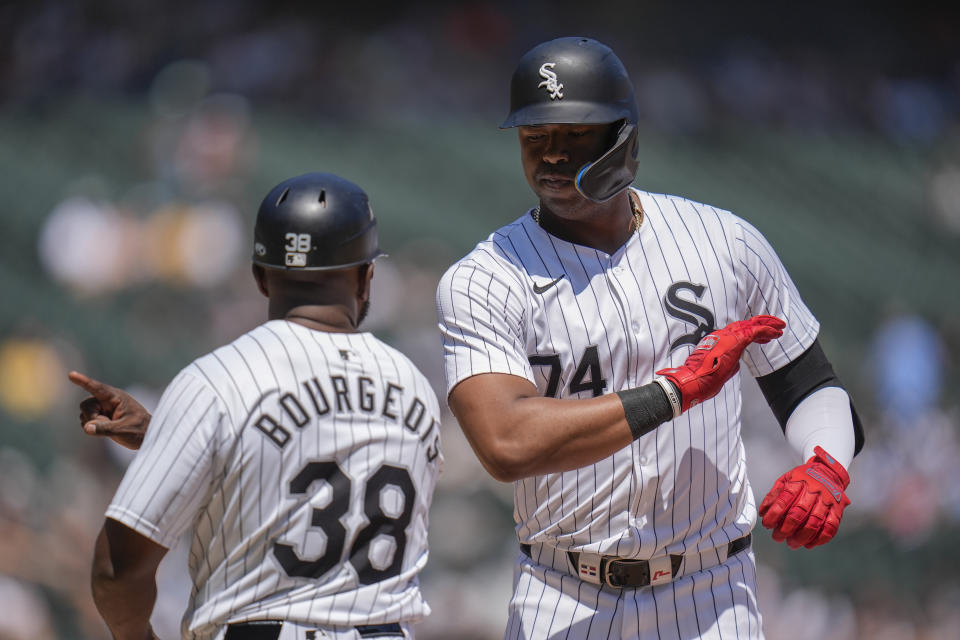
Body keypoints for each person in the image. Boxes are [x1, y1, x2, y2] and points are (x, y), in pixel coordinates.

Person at [435, 36, 864, 639]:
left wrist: (827, 465)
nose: (552, 156)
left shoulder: (725, 242)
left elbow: (808, 382)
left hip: (712, 592)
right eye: (536, 139)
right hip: (562, 593)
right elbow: (507, 443)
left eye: (573, 135)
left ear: (624, 138)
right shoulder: (485, 278)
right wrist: (673, 392)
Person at [69, 172, 443, 640]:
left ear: (261, 277)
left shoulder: (216, 382)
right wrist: (168, 434)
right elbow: (331, 449)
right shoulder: (413, 386)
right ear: (367, 276)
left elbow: (115, 572)